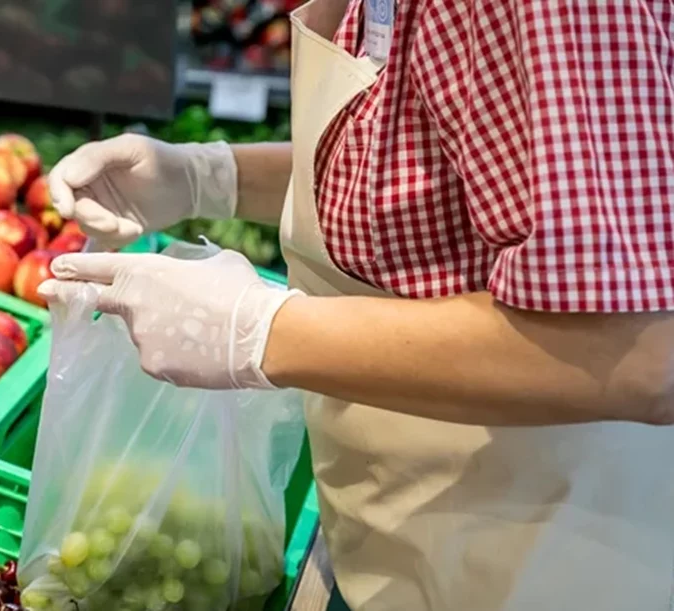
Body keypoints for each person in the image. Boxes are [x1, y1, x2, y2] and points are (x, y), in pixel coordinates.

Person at [38, 0, 674, 610]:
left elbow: (636, 349)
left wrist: (262, 330)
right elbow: (422, 171)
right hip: (412, 545)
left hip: (541, 568)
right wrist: (208, 176)